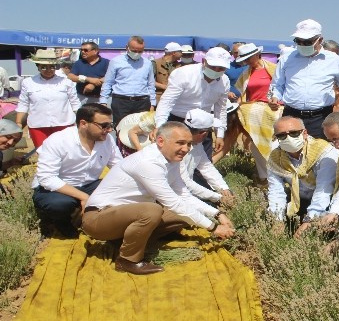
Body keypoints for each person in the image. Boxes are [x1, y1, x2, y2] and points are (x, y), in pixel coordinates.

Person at [82, 122, 235, 275]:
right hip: (98, 218)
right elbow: (173, 202)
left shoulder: (171, 159)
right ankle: (127, 260)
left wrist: (217, 214)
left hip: (123, 215)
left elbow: (183, 195)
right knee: (152, 211)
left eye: (188, 144)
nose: (186, 149)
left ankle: (123, 241)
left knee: (186, 214)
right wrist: (214, 228)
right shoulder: (148, 162)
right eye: (180, 143)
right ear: (161, 141)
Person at [32, 103, 122, 237]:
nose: (109, 130)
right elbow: (47, 178)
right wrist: (85, 197)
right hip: (57, 188)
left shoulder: (107, 140)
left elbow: (119, 166)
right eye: (104, 126)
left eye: (111, 125)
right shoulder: (58, 140)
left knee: (121, 188)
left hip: (89, 184)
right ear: (84, 123)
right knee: (59, 204)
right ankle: (61, 222)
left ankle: (97, 220)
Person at [269, 19, 339, 139]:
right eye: (298, 41)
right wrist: (275, 97)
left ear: (320, 40)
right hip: (291, 116)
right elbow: (277, 85)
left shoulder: (333, 60)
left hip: (321, 118)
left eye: (307, 42)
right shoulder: (286, 59)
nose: (302, 45)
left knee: (321, 154)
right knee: (288, 154)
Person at [154, 47, 231, 158]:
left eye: (221, 68)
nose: (216, 71)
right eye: (213, 67)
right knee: (174, 161)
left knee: (201, 162)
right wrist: (160, 127)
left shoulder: (225, 81)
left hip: (203, 125)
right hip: (179, 122)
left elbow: (221, 109)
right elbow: (167, 102)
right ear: (204, 61)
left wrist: (220, 134)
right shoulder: (184, 74)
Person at [267, 116, 339, 232]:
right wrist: (277, 220)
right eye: (282, 135)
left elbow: (323, 191)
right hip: (300, 199)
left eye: (294, 133)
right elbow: (276, 191)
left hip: (328, 200)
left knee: (324, 231)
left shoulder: (324, 152)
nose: (288, 138)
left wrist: (309, 221)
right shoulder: (275, 157)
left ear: (305, 133)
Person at [224, 43, 282, 181]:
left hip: (274, 110)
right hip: (254, 111)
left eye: (248, 58)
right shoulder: (246, 73)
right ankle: (264, 177)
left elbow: (281, 88)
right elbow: (243, 94)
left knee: (274, 144)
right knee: (256, 146)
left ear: (257, 55)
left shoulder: (274, 70)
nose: (246, 62)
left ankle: (278, 176)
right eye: (245, 59)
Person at [15, 49, 81, 148]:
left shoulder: (66, 82)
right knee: (43, 154)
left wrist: (82, 120)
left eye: (52, 67)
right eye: (44, 67)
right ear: (38, 67)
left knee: (65, 152)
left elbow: (75, 103)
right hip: (38, 126)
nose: (48, 70)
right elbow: (23, 104)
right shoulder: (28, 83)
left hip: (64, 124)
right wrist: (18, 123)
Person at [180, 108, 233, 204]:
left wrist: (223, 188)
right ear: (203, 134)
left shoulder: (197, 144)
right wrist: (218, 197)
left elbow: (206, 167)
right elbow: (186, 183)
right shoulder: (178, 150)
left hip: (186, 192)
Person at [100, 36, 156, 124]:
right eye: (134, 51)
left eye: (140, 51)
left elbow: (151, 84)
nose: (137, 53)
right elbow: (108, 82)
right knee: (120, 129)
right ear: (127, 48)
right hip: (121, 101)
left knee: (141, 130)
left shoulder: (147, 63)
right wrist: (103, 101)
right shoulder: (116, 61)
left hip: (142, 102)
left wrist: (152, 103)